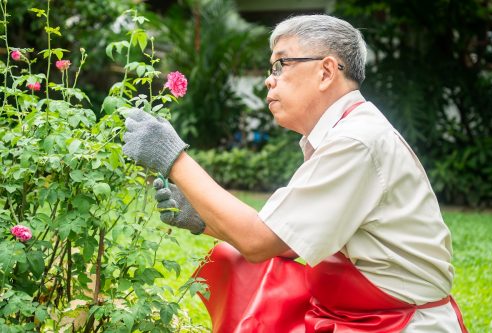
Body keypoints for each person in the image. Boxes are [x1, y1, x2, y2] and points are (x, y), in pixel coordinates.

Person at [122, 14, 468, 333]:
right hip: (360, 311)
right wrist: (201, 219)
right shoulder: (343, 134)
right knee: (236, 261)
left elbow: (260, 241)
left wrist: (173, 158)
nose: (268, 82)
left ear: (327, 71)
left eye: (280, 65)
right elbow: (286, 241)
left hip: (397, 323)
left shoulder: (355, 141)